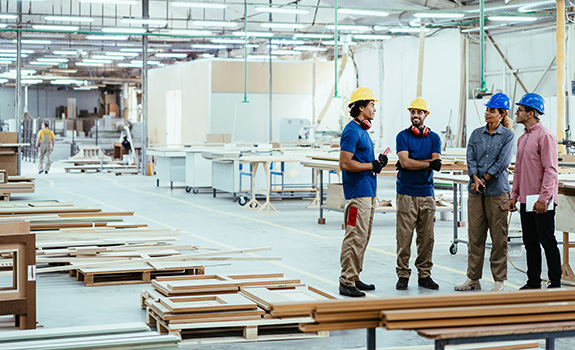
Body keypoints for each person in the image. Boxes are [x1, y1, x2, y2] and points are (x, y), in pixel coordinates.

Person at [455, 93, 514, 292]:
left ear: (502, 114)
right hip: (475, 191)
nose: (487, 113)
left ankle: (499, 280)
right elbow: (470, 158)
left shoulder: (508, 136)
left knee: (498, 238)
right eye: (487, 110)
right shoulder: (475, 134)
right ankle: (473, 278)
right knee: (475, 237)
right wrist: (475, 178)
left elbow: (503, 162)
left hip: (497, 192)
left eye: (492, 111)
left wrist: (485, 179)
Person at [508, 93, 561, 289]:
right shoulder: (522, 139)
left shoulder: (545, 136)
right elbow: (519, 170)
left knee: (547, 241)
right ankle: (533, 281)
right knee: (530, 241)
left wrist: (544, 198)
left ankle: (555, 282)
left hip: (541, 200)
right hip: (526, 199)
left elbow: (551, 169)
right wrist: (515, 196)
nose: (516, 113)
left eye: (520, 110)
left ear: (530, 113)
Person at [338, 87, 388, 297]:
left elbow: (362, 161)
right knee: (354, 236)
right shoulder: (351, 131)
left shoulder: (363, 131)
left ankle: (355, 276)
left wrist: (376, 163)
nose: (374, 109)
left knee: (363, 236)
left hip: (367, 191)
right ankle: (346, 280)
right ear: (361, 107)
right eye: (371, 105)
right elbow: (345, 163)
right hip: (357, 194)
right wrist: (371, 166)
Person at [395, 97, 442, 290]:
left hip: (426, 194)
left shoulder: (435, 138)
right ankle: (403, 275)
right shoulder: (402, 136)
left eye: (419, 112)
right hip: (406, 194)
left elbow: (436, 163)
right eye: (413, 112)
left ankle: (425, 275)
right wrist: (428, 163)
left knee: (427, 238)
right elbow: (405, 163)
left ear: (426, 115)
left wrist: (415, 163)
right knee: (404, 238)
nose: (415, 115)